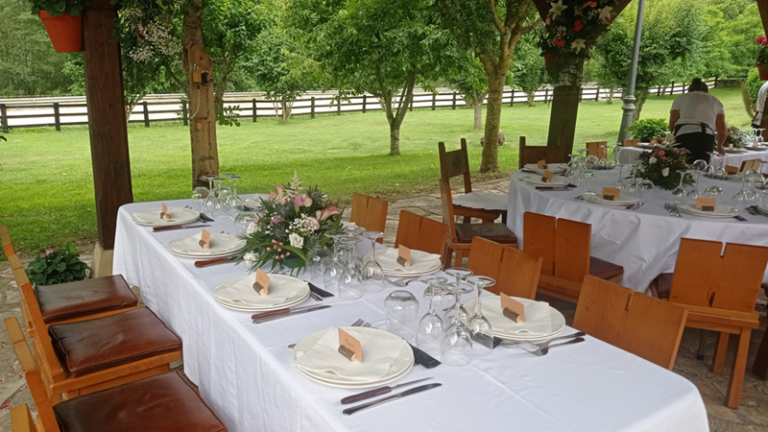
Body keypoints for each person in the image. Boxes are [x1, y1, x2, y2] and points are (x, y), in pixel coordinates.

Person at [668, 78, 726, 163]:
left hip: (684, 135)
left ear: (689, 89)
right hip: (706, 137)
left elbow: (672, 123)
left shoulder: (680, 98)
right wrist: (720, 145)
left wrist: (674, 138)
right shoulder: (715, 101)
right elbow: (722, 129)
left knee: (681, 166)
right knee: (701, 167)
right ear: (706, 90)